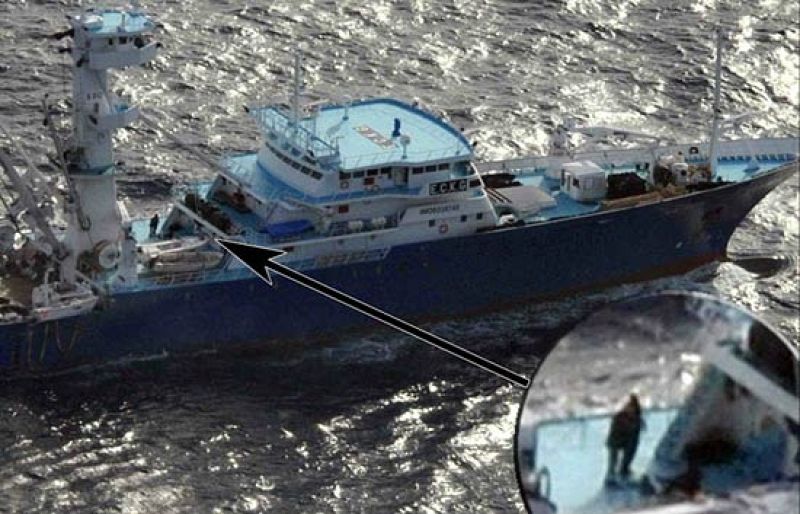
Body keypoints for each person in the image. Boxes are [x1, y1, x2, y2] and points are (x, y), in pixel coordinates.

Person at [606, 394, 644, 483]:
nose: (631, 410)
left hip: (628, 441)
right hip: (616, 440)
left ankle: (624, 469)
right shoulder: (619, 417)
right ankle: (611, 474)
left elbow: (636, 435)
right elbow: (614, 434)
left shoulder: (637, 419)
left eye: (633, 408)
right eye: (630, 407)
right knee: (613, 458)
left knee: (632, 447)